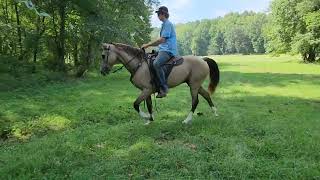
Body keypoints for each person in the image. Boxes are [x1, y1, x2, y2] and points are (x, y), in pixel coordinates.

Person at [141, 6, 178, 98]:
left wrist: (148, 45)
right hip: (163, 49)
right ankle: (154, 83)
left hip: (168, 50)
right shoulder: (164, 25)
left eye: (158, 14)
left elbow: (161, 40)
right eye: (157, 14)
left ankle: (164, 88)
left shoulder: (168, 24)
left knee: (156, 63)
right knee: (149, 59)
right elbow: (160, 42)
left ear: (163, 14)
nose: (158, 16)